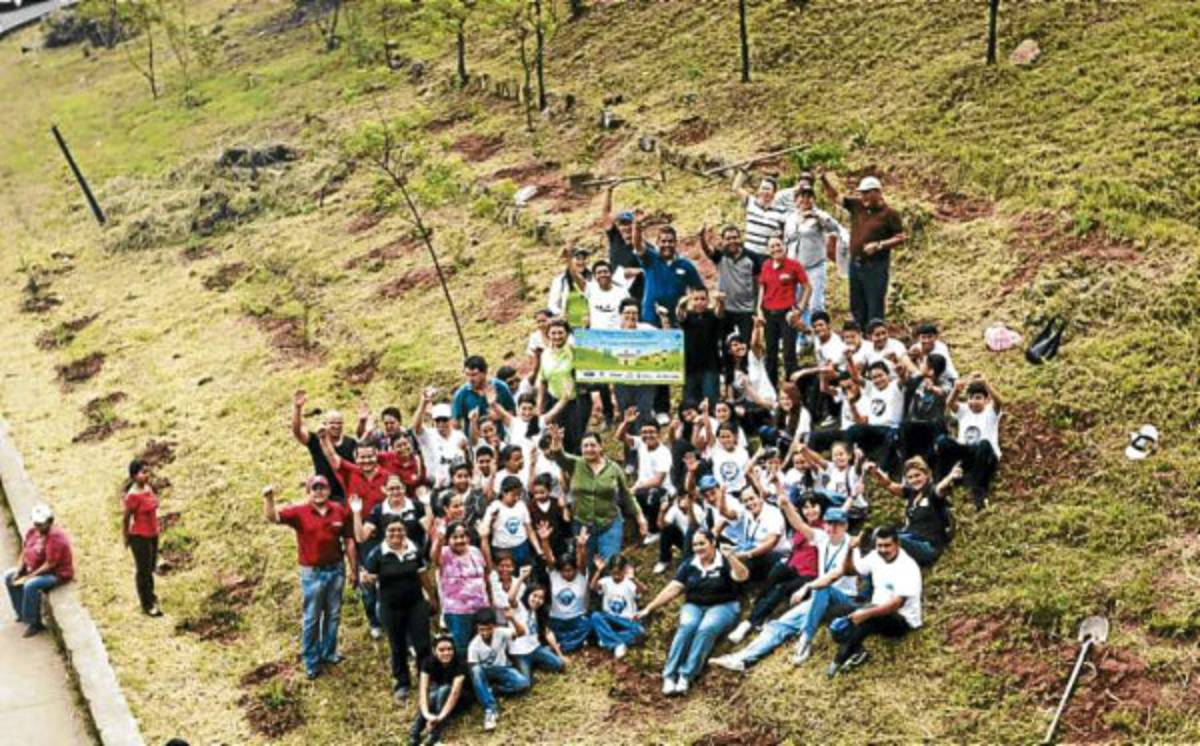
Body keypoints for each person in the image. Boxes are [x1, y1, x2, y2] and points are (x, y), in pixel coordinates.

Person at [709, 507, 855, 671]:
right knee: (780, 624)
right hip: (819, 599)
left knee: (823, 588)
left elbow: (834, 576)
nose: (833, 528)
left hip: (843, 599)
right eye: (829, 523)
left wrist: (807, 586)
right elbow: (798, 523)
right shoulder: (822, 538)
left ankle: (805, 641)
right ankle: (742, 659)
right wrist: (783, 501)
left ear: (846, 526)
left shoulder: (851, 546)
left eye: (838, 524)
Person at [637, 530, 749, 696]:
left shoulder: (725, 560)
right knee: (687, 626)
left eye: (702, 543)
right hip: (694, 605)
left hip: (724, 605)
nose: (698, 548)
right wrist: (649, 607)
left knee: (706, 628)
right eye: (695, 545)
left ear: (713, 543)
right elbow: (673, 588)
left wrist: (731, 558)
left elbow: (742, 576)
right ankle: (669, 675)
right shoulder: (690, 565)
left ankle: (686, 675)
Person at [263, 477, 354, 679]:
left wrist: (353, 568)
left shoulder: (339, 510)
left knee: (333, 614)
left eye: (323, 488)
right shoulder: (299, 512)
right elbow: (273, 517)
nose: (319, 492)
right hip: (312, 574)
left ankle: (329, 652)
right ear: (308, 491)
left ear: (329, 490)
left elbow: (348, 540)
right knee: (312, 618)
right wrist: (269, 499)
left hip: (336, 569)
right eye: (315, 488)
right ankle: (311, 661)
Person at [825, 525, 922, 678]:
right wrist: (850, 550)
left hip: (901, 618)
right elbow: (849, 570)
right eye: (879, 546)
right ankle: (858, 651)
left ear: (897, 544)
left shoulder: (908, 567)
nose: (883, 549)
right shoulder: (876, 556)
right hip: (876, 608)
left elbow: (897, 603)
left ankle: (838, 661)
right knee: (836, 610)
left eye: (887, 545)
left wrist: (866, 613)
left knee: (868, 620)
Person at [727, 496, 823, 644]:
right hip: (793, 567)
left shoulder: (823, 528)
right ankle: (758, 612)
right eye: (806, 508)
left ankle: (750, 623)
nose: (810, 511)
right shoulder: (798, 530)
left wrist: (785, 504)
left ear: (821, 507)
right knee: (776, 572)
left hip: (809, 575)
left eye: (813, 506)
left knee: (780, 588)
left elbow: (795, 519)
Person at [546, 426, 648, 564]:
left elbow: (626, 495)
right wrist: (556, 441)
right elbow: (559, 456)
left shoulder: (614, 469)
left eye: (593, 445)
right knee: (587, 565)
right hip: (582, 525)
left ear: (600, 447)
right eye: (585, 446)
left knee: (609, 564)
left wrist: (640, 517)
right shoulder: (575, 464)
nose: (589, 449)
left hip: (609, 524)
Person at [360, 518, 436, 701]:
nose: (396, 534)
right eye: (391, 531)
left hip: (416, 604)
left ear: (405, 532)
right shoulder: (377, 554)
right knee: (397, 646)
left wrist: (432, 597)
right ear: (385, 533)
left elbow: (423, 575)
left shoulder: (414, 549)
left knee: (423, 644)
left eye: (400, 530)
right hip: (390, 607)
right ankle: (402, 683)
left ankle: (427, 679)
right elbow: (369, 577)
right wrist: (366, 579)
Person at [820, 172, 907, 328]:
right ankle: (858, 336)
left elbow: (900, 237)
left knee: (874, 304)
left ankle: (874, 336)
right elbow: (835, 197)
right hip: (856, 264)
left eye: (867, 193)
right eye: (862, 193)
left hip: (875, 266)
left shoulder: (890, 214)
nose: (864, 197)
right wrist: (823, 180)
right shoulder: (857, 205)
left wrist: (879, 245)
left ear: (878, 193)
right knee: (856, 304)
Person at [862, 457, 961, 567]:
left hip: (927, 545)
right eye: (910, 477)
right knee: (878, 534)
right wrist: (876, 471)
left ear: (927, 475)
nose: (914, 480)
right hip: (909, 536)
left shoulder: (932, 493)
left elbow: (940, 488)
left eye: (917, 475)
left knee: (893, 540)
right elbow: (889, 485)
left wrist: (950, 477)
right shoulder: (911, 493)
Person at [4, 504, 73, 637]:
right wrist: (19, 570)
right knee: (9, 577)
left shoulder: (55, 538)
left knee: (31, 585)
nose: (37, 527)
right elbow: (24, 552)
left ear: (49, 522)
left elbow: (50, 564)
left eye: (41, 524)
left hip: (55, 573)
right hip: (33, 568)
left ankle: (34, 622)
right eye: (36, 523)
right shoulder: (32, 532)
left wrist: (31, 576)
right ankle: (21, 613)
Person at [935, 373, 1003, 509]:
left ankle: (979, 492)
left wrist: (986, 384)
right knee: (942, 441)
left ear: (986, 399)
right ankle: (942, 484)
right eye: (970, 398)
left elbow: (999, 402)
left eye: (978, 398)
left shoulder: (990, 412)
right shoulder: (965, 410)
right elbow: (950, 403)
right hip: (965, 452)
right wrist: (956, 390)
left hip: (985, 454)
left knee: (984, 444)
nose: (973, 401)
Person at [757, 234, 811, 389]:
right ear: (768, 250)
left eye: (778, 245)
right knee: (770, 355)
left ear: (785, 246)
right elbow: (762, 288)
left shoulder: (794, 265)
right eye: (772, 246)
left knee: (789, 354)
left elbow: (807, 287)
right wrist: (759, 310)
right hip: (769, 313)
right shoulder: (766, 265)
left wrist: (800, 309)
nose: (776, 249)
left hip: (788, 314)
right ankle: (771, 391)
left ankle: (792, 390)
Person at [631, 216, 704, 327]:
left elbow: (699, 290)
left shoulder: (686, 265)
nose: (667, 245)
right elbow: (637, 245)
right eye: (663, 241)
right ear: (657, 243)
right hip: (650, 318)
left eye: (670, 241)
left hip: (676, 320)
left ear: (676, 243)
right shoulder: (650, 258)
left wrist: (687, 302)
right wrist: (636, 226)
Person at [783, 181, 842, 317]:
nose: (804, 200)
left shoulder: (820, 215)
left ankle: (816, 334)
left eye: (808, 196)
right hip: (794, 268)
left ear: (813, 199)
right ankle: (800, 335)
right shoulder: (791, 218)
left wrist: (816, 216)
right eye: (801, 196)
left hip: (814, 266)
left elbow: (834, 228)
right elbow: (787, 241)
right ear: (795, 200)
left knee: (815, 303)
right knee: (796, 303)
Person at [615, 407, 675, 541]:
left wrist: (636, 488)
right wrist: (626, 422)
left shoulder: (663, 453)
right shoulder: (641, 443)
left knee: (653, 495)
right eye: (644, 432)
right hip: (641, 488)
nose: (648, 435)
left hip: (662, 491)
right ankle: (630, 531)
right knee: (617, 497)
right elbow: (619, 437)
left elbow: (658, 480)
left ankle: (654, 531)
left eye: (652, 432)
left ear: (659, 433)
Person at [430, 521, 491, 651]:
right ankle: (463, 670)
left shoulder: (475, 551)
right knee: (461, 647)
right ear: (448, 539)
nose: (459, 540)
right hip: (458, 611)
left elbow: (487, 571)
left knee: (482, 645)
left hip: (480, 607)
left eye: (462, 536)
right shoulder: (445, 553)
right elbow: (434, 558)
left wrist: (484, 539)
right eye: (455, 537)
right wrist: (439, 540)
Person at [467, 608, 530, 732]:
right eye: (481, 629)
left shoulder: (500, 632)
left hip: (503, 668)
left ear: (494, 626)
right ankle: (490, 709)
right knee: (476, 670)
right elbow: (473, 669)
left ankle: (494, 690)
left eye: (488, 628)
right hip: (485, 671)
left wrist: (512, 618)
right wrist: (480, 681)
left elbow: (522, 632)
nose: (485, 632)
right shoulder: (474, 645)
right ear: (477, 628)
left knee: (524, 683)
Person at [698, 224, 763, 345]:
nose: (732, 241)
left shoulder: (752, 257)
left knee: (745, 346)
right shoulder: (720, 256)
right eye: (728, 238)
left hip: (746, 310)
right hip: (725, 309)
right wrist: (702, 237)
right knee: (726, 345)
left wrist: (757, 308)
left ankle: (743, 365)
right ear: (723, 241)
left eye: (735, 237)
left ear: (740, 238)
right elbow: (707, 250)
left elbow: (758, 284)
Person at [291, 390, 358, 502]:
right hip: (322, 493)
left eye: (339, 423)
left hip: (346, 494)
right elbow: (297, 431)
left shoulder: (351, 443)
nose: (336, 426)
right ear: (325, 424)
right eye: (332, 423)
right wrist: (297, 408)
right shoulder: (316, 440)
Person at [537, 318, 590, 454]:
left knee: (575, 440)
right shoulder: (545, 354)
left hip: (574, 403)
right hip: (554, 401)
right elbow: (543, 380)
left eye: (560, 333)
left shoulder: (574, 352)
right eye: (553, 333)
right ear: (548, 334)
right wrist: (540, 405)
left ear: (567, 334)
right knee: (557, 439)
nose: (557, 336)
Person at [410, 634, 466, 746]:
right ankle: (414, 735)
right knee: (432, 695)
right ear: (434, 651)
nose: (446, 653)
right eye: (441, 650)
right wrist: (427, 715)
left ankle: (434, 736)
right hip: (436, 697)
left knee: (443, 690)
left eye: (449, 649)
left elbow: (455, 693)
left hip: (459, 699)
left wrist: (438, 719)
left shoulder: (460, 662)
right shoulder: (427, 662)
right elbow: (423, 690)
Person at [123, 459, 162, 617]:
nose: (146, 475)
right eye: (142, 473)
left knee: (151, 566)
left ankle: (151, 595)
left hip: (153, 533)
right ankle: (147, 604)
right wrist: (126, 537)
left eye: (147, 472)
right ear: (133, 476)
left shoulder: (148, 488)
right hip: (139, 536)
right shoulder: (132, 496)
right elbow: (126, 518)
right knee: (143, 571)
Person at [612, 299, 659, 426]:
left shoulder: (648, 329)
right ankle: (629, 445)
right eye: (627, 313)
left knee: (644, 415)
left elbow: (667, 339)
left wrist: (664, 320)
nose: (631, 316)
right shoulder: (612, 332)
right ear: (620, 314)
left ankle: (643, 444)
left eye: (634, 313)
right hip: (621, 381)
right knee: (626, 416)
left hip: (645, 382)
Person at [589, 554, 646, 659]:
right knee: (595, 616)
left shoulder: (629, 583)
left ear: (624, 570)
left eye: (619, 573)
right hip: (610, 619)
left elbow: (643, 591)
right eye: (614, 573)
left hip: (626, 621)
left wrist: (634, 579)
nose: (616, 576)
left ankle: (608, 640)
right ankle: (618, 643)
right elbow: (592, 587)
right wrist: (599, 571)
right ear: (610, 570)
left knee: (639, 631)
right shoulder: (606, 581)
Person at [676, 286, 725, 406]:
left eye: (702, 299)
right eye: (696, 299)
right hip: (690, 366)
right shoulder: (688, 316)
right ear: (692, 301)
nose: (699, 302)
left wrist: (720, 301)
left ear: (707, 300)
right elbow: (679, 315)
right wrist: (681, 304)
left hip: (710, 366)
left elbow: (719, 312)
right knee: (689, 403)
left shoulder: (712, 315)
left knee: (711, 401)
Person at [480, 476, 543, 569]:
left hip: (522, 548)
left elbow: (529, 530)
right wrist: (492, 521)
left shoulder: (521, 506)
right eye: (513, 495)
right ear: (504, 492)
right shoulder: (494, 508)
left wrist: (539, 550)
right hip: (502, 551)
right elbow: (484, 532)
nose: (516, 498)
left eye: (519, 495)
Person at [508, 583, 566, 682]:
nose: (537, 600)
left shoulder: (537, 612)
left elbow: (547, 632)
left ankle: (536, 662)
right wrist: (521, 577)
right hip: (520, 654)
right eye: (534, 596)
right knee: (525, 682)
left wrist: (560, 654)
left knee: (559, 665)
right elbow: (511, 598)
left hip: (535, 649)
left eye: (541, 598)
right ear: (527, 594)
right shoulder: (519, 607)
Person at [547, 530, 593, 652]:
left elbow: (582, 561)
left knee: (588, 625)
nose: (567, 573)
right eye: (564, 570)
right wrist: (544, 540)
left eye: (570, 570)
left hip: (576, 618)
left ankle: (563, 646)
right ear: (559, 570)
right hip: (557, 619)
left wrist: (581, 546)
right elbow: (549, 557)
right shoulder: (554, 575)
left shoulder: (580, 576)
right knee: (547, 630)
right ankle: (571, 643)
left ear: (575, 569)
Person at [413, 390, 469, 489]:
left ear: (450, 419)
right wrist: (423, 404)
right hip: (436, 486)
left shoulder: (459, 435)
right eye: (438, 420)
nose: (441, 423)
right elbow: (416, 427)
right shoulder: (428, 435)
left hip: (457, 485)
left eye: (444, 419)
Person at [600, 186, 645, 301]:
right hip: (616, 293)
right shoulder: (615, 239)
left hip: (638, 295)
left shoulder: (644, 246)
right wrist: (608, 191)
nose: (626, 227)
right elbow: (605, 214)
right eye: (622, 224)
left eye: (629, 224)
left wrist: (638, 272)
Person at [451, 355, 516, 433]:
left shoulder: (500, 387)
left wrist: (499, 415)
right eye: (467, 374)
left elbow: (512, 413)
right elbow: (455, 423)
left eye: (474, 375)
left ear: (484, 372)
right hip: (475, 441)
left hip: (500, 439)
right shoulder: (461, 394)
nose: (470, 379)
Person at [732, 172, 792, 255]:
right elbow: (736, 187)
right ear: (758, 190)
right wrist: (743, 171)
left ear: (774, 193)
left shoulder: (782, 211)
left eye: (768, 189)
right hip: (748, 252)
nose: (765, 191)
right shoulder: (751, 202)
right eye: (763, 188)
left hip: (766, 255)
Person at [654, 487, 703, 574]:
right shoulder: (675, 509)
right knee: (668, 529)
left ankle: (689, 563)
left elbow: (694, 527)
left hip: (697, 542)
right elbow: (662, 526)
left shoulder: (697, 510)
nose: (681, 500)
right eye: (680, 498)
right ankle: (664, 560)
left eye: (685, 498)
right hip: (683, 541)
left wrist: (689, 509)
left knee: (691, 534)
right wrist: (661, 512)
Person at [547, 247, 593, 327]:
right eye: (578, 259)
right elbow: (552, 305)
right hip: (568, 325)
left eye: (584, 259)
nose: (581, 262)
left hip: (589, 324)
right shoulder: (560, 280)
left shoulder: (592, 278)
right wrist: (561, 314)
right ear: (570, 261)